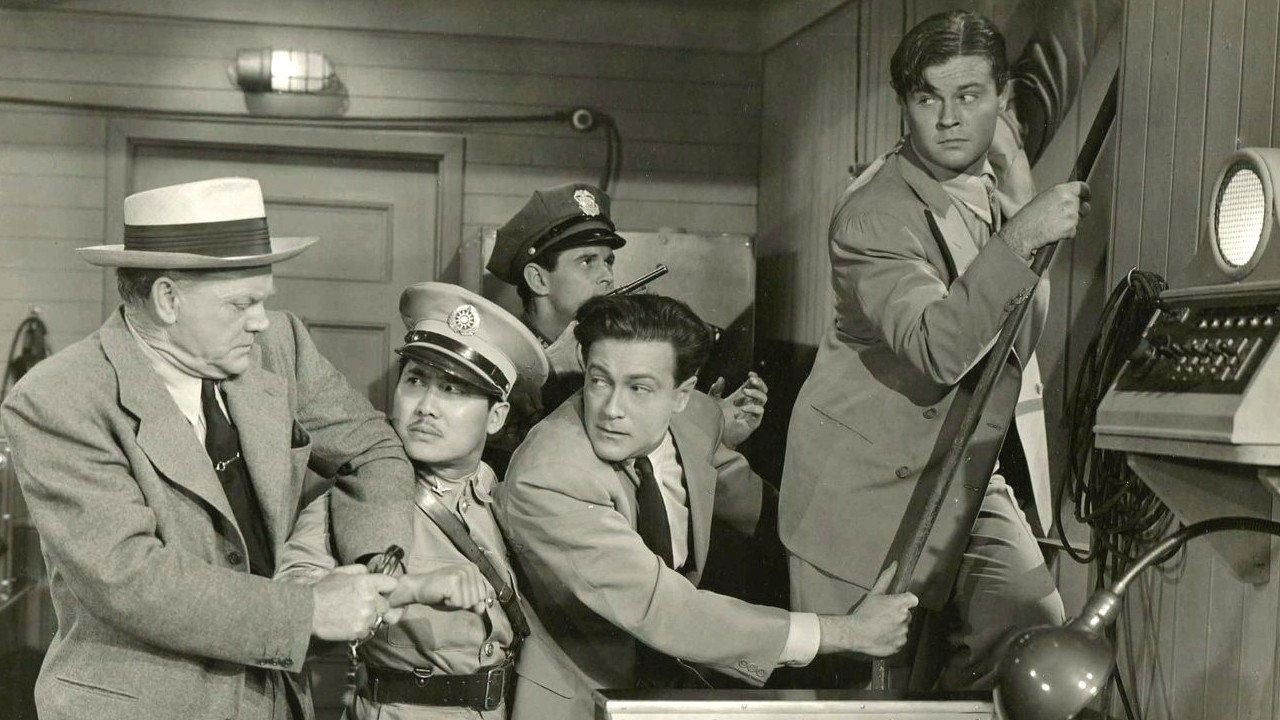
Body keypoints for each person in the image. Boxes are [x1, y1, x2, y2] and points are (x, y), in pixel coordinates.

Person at [1, 177, 416, 720]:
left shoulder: (279, 348)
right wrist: (308, 610)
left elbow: (372, 449)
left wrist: (375, 565)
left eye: (263, 300)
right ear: (168, 299)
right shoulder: (59, 398)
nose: (260, 321)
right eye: (242, 303)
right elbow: (129, 579)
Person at [780, 10, 1086, 690]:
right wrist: (1022, 235)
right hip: (859, 496)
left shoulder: (992, 184)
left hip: (958, 474)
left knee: (1030, 621)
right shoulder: (875, 214)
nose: (948, 119)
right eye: (928, 98)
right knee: (865, 694)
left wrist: (1017, 193)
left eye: (969, 96)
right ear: (906, 105)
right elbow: (937, 348)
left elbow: (1012, 336)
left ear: (1002, 100)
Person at [495, 294, 919, 720]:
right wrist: (846, 632)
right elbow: (663, 608)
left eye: (639, 388)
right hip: (579, 696)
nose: (611, 410)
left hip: (678, 679)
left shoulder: (695, 418)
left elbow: (771, 516)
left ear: (681, 395)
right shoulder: (548, 476)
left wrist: (874, 565)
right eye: (600, 381)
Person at [276, 281, 551, 719]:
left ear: (496, 417)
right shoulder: (354, 496)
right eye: (416, 380)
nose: (426, 406)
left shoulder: (506, 495)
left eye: (454, 390)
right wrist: (409, 589)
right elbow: (288, 606)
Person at [483, 182, 768, 470]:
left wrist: (711, 428)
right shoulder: (497, 359)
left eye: (608, 261)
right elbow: (499, 458)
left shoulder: (609, 349)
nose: (607, 276)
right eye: (587, 262)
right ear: (538, 279)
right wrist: (547, 373)